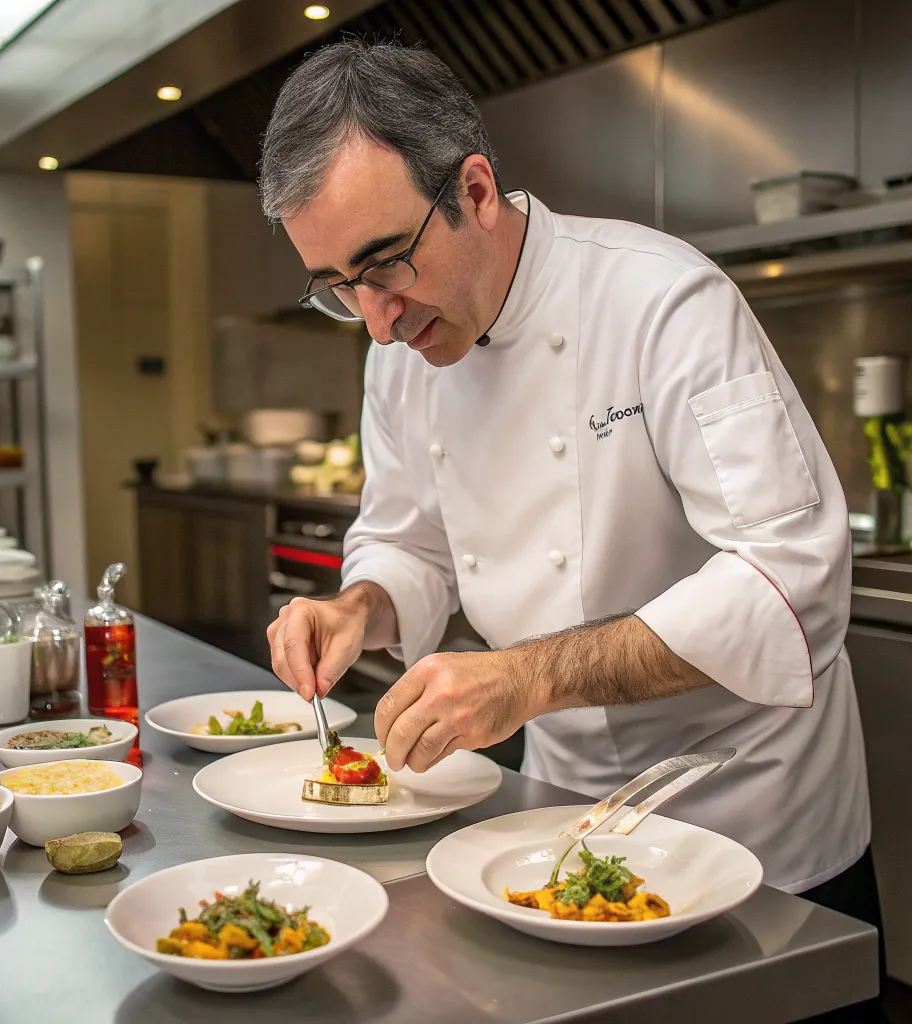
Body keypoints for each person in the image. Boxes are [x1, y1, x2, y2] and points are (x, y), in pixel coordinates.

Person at [258, 40, 882, 1018]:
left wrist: (528, 676)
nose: (375, 322)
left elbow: (792, 582)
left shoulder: (661, 301)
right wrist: (358, 605)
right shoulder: (398, 355)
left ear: (473, 189)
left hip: (753, 820)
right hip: (558, 818)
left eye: (385, 263)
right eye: (338, 287)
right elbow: (408, 541)